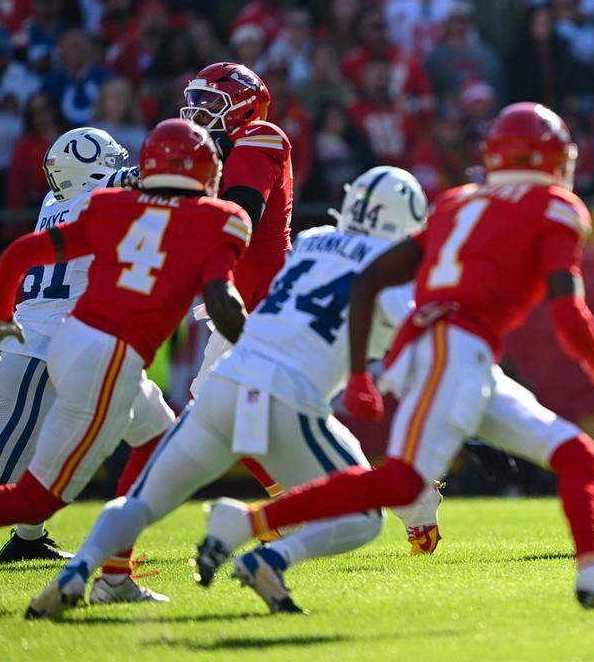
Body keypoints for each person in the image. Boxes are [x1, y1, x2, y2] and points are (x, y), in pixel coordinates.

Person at [192, 102, 594, 621]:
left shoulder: (457, 201)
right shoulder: (556, 205)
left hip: (456, 350)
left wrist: (361, 372)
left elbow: (372, 278)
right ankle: (248, 524)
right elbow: (566, 305)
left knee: (580, 457)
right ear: (550, 156)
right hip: (451, 346)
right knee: (401, 483)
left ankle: (593, 571)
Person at [26, 167, 443, 619]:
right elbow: (420, 334)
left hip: (225, 380)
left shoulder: (313, 240)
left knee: (143, 502)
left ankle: (82, 570)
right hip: (286, 394)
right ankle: (268, 555)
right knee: (362, 515)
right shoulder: (390, 271)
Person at [0, 120, 249, 606]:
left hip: (65, 339)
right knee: (14, 486)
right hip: (59, 345)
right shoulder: (107, 199)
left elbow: (27, 248)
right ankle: (96, 570)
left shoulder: (66, 201)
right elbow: (149, 183)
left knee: (158, 440)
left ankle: (108, 572)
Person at [0, 128, 144, 565]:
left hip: (54, 345)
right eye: (108, 160)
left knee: (47, 456)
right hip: (37, 348)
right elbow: (138, 179)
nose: (117, 165)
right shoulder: (93, 197)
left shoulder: (53, 203)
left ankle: (28, 538)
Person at [181, 62, 293, 497]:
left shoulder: (260, 136)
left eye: (209, 101)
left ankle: (310, 504)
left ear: (244, 106)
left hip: (264, 296)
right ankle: (301, 505)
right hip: (244, 295)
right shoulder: (219, 150)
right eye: (194, 101)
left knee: (218, 409)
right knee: (228, 413)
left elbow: (242, 213)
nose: (197, 111)